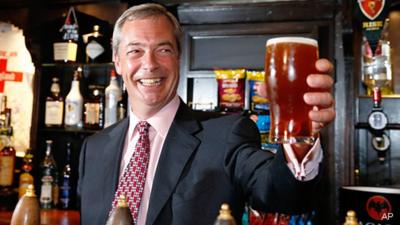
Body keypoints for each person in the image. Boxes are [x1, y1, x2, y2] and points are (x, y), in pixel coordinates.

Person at [77, 3, 335, 225]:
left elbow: (283, 196)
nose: (150, 64)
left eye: (164, 49)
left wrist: (301, 137)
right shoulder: (94, 148)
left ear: (178, 57)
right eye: (135, 51)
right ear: (118, 62)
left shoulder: (227, 134)